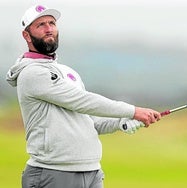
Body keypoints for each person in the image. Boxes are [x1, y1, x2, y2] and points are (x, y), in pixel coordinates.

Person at [6, 5, 161, 188]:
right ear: (27, 35)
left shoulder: (67, 72)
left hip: (92, 171)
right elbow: (84, 102)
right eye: (41, 25)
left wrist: (122, 121)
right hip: (52, 172)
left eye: (52, 23)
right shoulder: (31, 73)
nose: (49, 29)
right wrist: (133, 111)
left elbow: (89, 121)